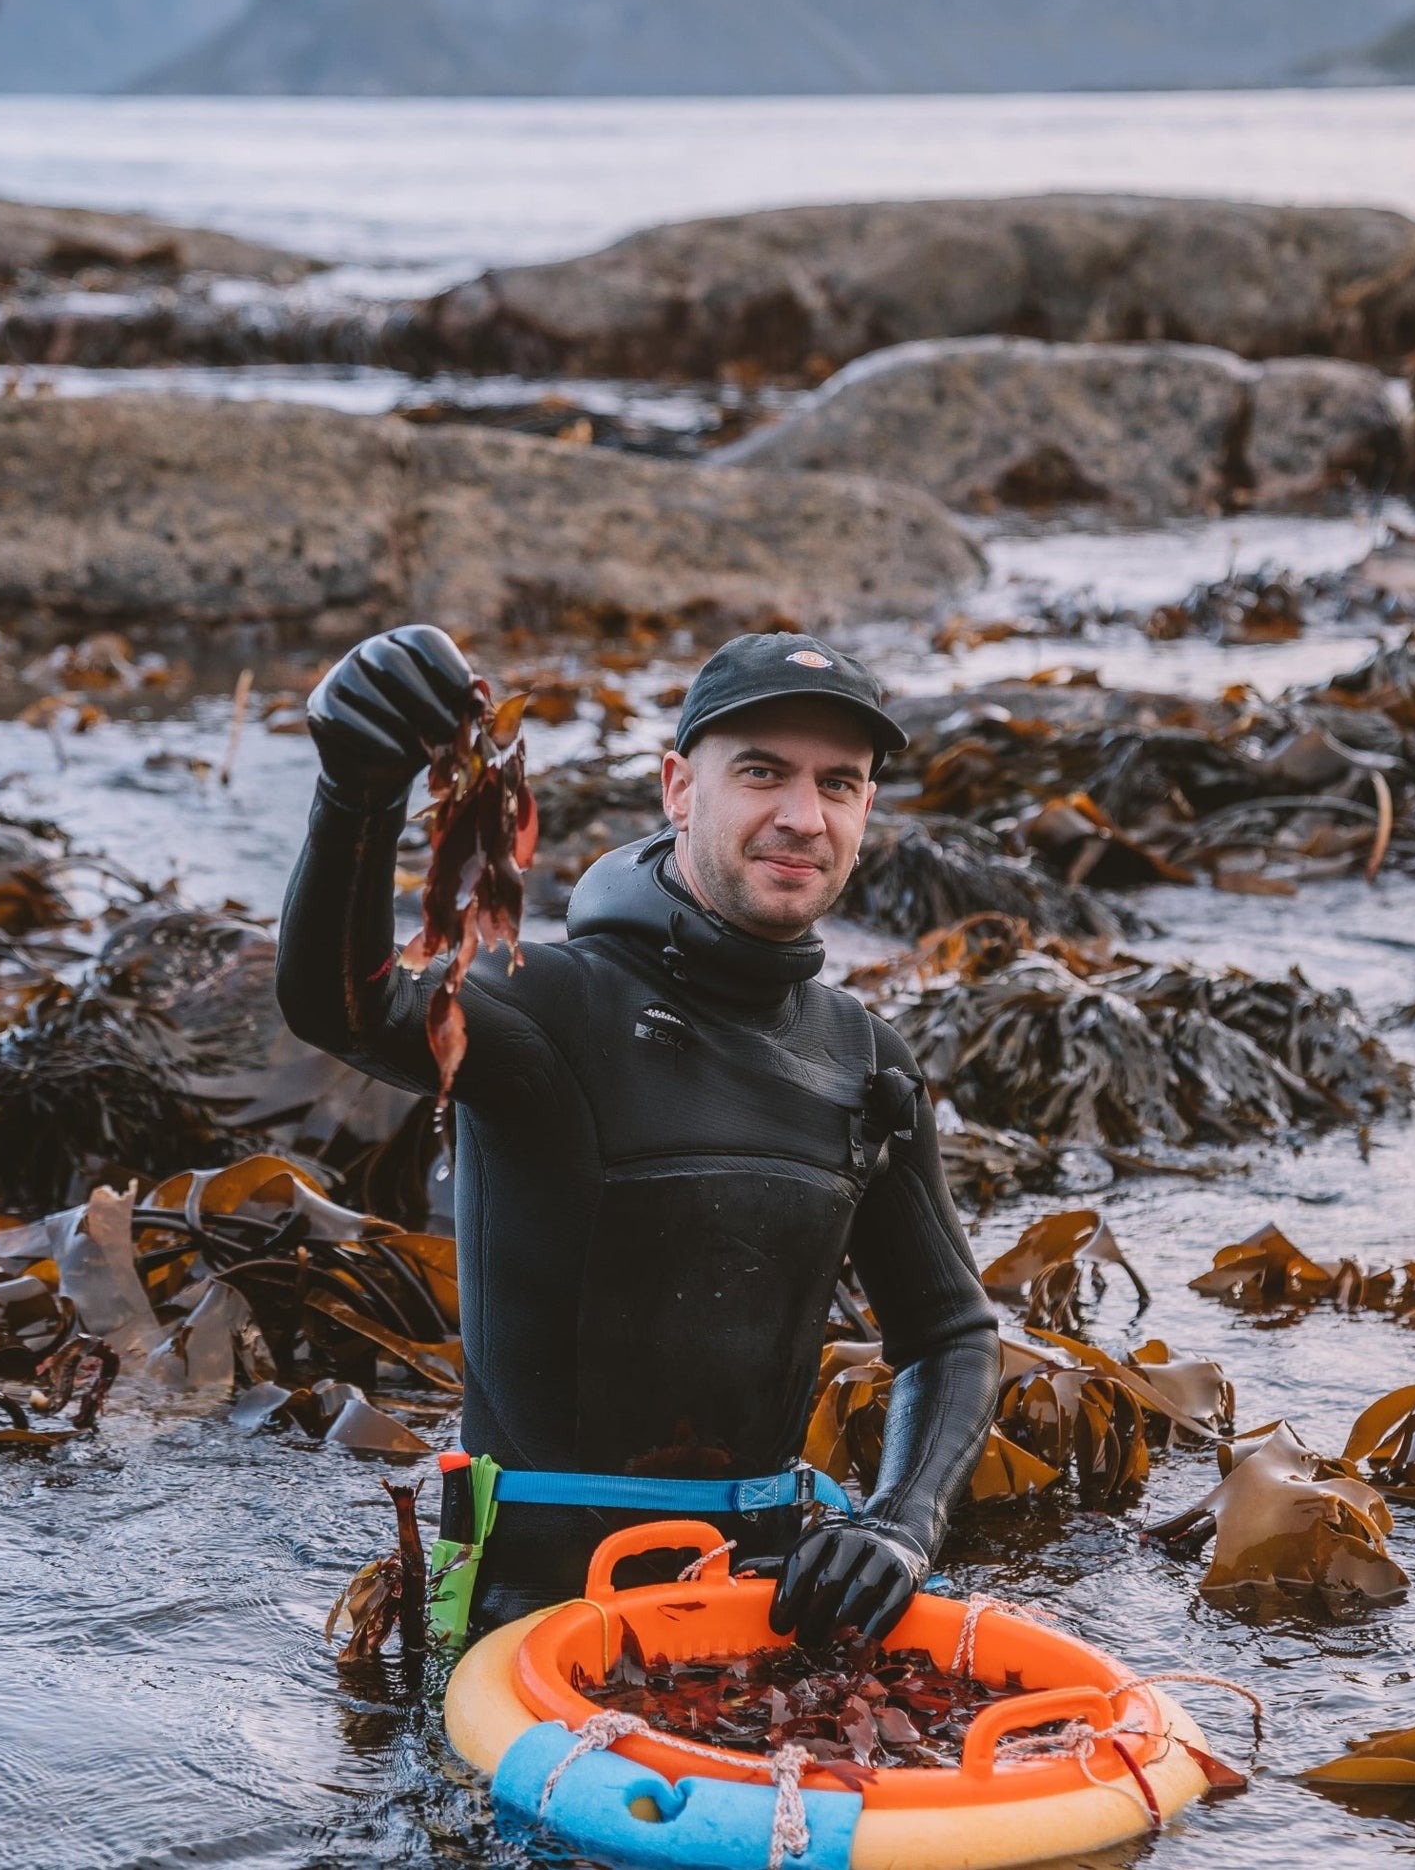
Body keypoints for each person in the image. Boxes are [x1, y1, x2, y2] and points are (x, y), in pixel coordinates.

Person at [277, 623, 998, 1644]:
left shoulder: (863, 1059)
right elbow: (338, 1003)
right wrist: (356, 787)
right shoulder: (544, 1007)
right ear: (677, 787)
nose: (802, 815)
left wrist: (897, 1526)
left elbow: (949, 1333)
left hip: (761, 1612)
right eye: (760, 772)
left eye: (838, 783)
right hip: (522, 1621)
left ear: (865, 807)